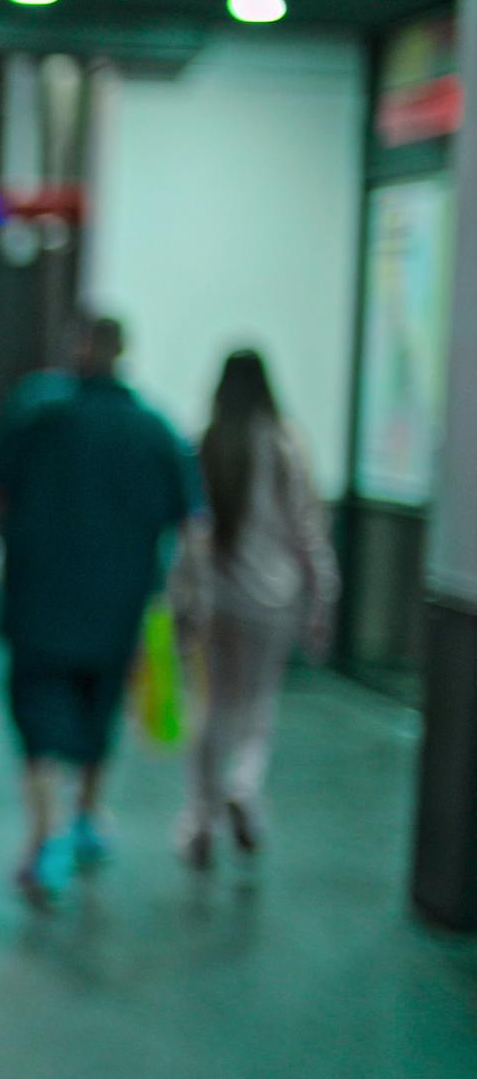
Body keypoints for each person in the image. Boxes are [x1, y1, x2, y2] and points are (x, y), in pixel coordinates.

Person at [0, 317, 205, 906]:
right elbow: (194, 522)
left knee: (35, 715)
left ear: (78, 351)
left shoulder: (37, 413)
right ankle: (86, 814)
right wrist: (190, 599)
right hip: (120, 607)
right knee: (99, 708)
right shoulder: (155, 429)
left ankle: (45, 831)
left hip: (39, 599)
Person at [171, 350, 338, 869]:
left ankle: (200, 818)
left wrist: (182, 595)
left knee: (212, 706)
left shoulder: (207, 441)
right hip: (274, 596)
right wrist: (322, 599)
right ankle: (244, 785)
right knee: (258, 703)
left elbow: (190, 530)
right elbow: (308, 532)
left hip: (218, 596)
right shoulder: (287, 442)